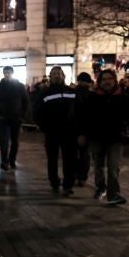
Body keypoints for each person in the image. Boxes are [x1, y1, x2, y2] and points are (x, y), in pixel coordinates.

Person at [77, 69, 129, 205]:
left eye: (110, 78)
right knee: (98, 166)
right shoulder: (91, 98)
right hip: (96, 138)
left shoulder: (123, 97)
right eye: (104, 79)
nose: (107, 81)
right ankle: (100, 187)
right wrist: (82, 134)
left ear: (115, 80)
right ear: (99, 82)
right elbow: (83, 118)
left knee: (113, 167)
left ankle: (113, 194)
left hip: (116, 138)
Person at [34, 66, 78, 195]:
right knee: (52, 160)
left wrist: (76, 127)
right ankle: (54, 182)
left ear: (63, 76)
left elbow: (78, 111)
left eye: (59, 73)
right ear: (50, 77)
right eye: (54, 74)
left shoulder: (71, 92)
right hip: (52, 132)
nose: (56, 75)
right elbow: (37, 112)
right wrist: (44, 127)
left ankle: (68, 185)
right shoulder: (44, 93)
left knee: (69, 159)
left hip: (69, 132)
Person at [0, 66, 30, 171]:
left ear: (12, 73)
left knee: (15, 141)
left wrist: (22, 116)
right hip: (3, 118)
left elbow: (25, 102)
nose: (7, 74)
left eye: (9, 72)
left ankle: (12, 159)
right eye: (5, 72)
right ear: (3, 74)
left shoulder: (19, 86)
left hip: (16, 118)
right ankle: (4, 161)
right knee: (4, 140)